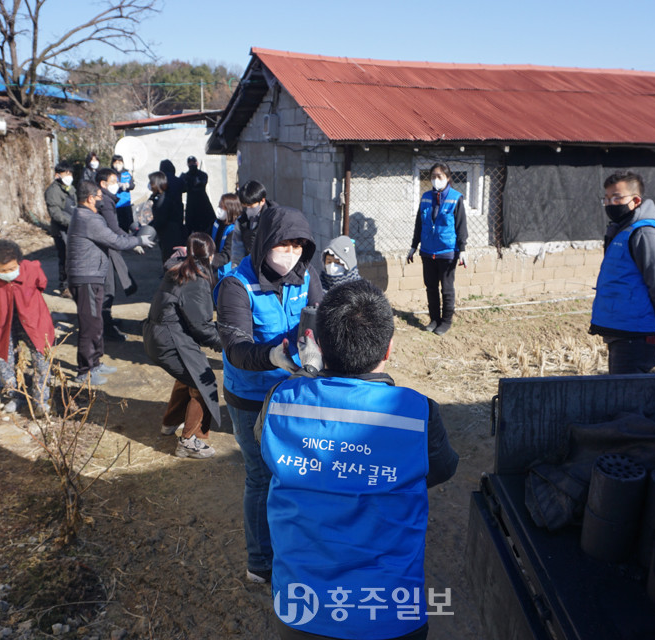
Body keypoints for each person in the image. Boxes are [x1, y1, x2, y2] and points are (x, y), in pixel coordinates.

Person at [260, 279, 459, 639]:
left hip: (301, 612)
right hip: (390, 616)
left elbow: (266, 444)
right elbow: (442, 468)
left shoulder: (281, 400)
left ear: (319, 346)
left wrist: (308, 373)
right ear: (389, 348)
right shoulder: (418, 412)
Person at [215, 205, 323, 583]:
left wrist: (317, 349)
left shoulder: (306, 276)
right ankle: (260, 561)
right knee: (261, 477)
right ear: (264, 243)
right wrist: (272, 356)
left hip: (294, 390)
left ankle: (293, 542)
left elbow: (320, 316)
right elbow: (236, 348)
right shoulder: (236, 285)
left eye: (298, 246)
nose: (290, 254)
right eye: (283, 245)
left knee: (293, 471)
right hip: (251, 395)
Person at [589, 170, 655, 374]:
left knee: (627, 392)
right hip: (622, 330)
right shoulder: (622, 231)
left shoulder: (644, 233)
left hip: (635, 333)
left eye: (617, 197)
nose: (610, 204)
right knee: (620, 389)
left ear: (635, 201)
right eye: (606, 198)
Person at [143, 233, 223, 459]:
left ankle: (170, 423)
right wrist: (226, 344)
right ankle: (188, 441)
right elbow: (201, 326)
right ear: (209, 255)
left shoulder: (178, 268)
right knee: (204, 382)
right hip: (170, 340)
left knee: (188, 375)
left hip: (157, 335)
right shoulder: (195, 278)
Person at [67, 181, 154, 385]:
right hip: (86, 278)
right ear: (90, 198)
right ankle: (85, 371)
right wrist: (138, 241)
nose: (102, 200)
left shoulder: (84, 216)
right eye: (99, 196)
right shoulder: (88, 219)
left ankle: (95, 363)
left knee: (96, 322)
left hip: (92, 276)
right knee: (90, 325)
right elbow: (115, 240)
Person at [0, 239, 56, 414]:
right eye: (2, 271)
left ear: (19, 263)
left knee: (41, 358)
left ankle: (41, 400)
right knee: (4, 360)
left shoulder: (31, 269)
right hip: (2, 323)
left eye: (12, 269)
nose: (8, 273)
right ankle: (15, 397)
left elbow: (41, 284)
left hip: (33, 320)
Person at [406, 163, 467, 336]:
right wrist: (413, 246)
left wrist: (462, 249)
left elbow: (461, 226)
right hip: (427, 251)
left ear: (447, 178)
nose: (435, 179)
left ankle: (446, 322)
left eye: (439, 176)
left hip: (447, 252)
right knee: (431, 287)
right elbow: (419, 224)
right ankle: (434, 319)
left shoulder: (455, 198)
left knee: (446, 289)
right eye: (433, 176)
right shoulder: (426, 197)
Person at [95, 167, 138, 342]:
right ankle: (106, 328)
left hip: (107, 247)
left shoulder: (106, 199)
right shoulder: (105, 202)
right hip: (104, 250)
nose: (117, 184)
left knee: (108, 287)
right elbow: (114, 228)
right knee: (108, 289)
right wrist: (133, 241)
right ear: (103, 184)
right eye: (113, 181)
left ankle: (107, 320)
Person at [43, 161, 76, 298]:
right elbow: (55, 213)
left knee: (74, 258)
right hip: (61, 230)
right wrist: (71, 223)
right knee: (65, 258)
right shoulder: (53, 191)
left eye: (70, 173)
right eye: (65, 173)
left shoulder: (71, 188)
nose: (69, 176)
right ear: (58, 175)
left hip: (73, 229)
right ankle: (65, 286)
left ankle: (74, 284)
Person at [231, 180, 278, 267]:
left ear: (262, 201)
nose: (248, 209)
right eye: (245, 206)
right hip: (250, 266)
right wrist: (236, 269)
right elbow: (237, 248)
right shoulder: (242, 221)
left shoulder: (274, 218)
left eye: (251, 206)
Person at [148, 170, 188, 271]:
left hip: (171, 234)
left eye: (151, 182)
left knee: (171, 260)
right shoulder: (159, 197)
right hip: (166, 234)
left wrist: (149, 229)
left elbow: (160, 220)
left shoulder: (164, 200)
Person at [181, 156, 216, 235]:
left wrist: (193, 182)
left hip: (203, 204)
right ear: (187, 164)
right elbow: (183, 188)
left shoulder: (202, 175)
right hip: (191, 206)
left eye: (193, 163)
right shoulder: (186, 176)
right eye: (190, 163)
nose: (192, 165)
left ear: (197, 163)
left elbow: (201, 182)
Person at [211, 193, 241, 282]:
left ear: (230, 209)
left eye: (221, 207)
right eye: (219, 206)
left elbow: (226, 256)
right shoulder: (217, 223)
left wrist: (209, 259)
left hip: (225, 274)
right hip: (214, 268)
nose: (218, 209)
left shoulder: (233, 231)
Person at [112, 155, 135, 232]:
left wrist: (127, 185)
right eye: (115, 162)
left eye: (119, 162)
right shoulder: (111, 174)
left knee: (129, 224)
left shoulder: (127, 173)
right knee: (119, 225)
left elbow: (132, 185)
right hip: (115, 204)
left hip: (126, 202)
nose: (117, 165)